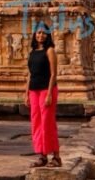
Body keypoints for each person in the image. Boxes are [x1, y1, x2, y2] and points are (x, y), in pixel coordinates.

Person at [28, 25, 61, 167]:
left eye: (44, 33)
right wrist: (26, 94)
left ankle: (56, 156)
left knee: (47, 123)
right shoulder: (33, 52)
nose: (40, 35)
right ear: (35, 34)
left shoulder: (50, 51)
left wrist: (49, 94)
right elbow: (29, 74)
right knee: (36, 123)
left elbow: (53, 74)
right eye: (38, 32)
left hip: (46, 90)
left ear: (48, 35)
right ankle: (42, 155)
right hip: (33, 90)